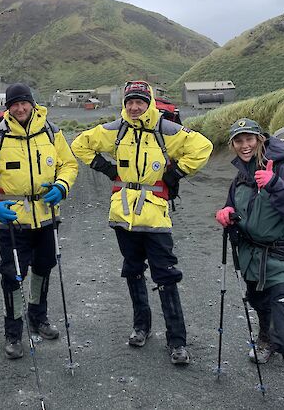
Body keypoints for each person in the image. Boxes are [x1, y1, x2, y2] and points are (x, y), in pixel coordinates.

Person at [71, 80, 212, 365]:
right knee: (133, 269)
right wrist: (107, 168)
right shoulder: (116, 130)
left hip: (156, 216)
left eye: (140, 101)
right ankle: (141, 327)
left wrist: (177, 173)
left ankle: (177, 342)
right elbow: (79, 144)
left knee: (166, 274)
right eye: (130, 102)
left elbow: (203, 147)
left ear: (149, 103)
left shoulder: (166, 129)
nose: (134, 107)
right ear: (124, 104)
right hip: (123, 216)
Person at [0, 83, 78, 359]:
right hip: (12, 222)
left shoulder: (52, 132)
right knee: (12, 275)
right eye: (14, 104)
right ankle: (13, 331)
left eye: (24, 103)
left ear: (32, 103)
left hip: (46, 217)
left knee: (44, 268)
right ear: (8, 107)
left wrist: (62, 186)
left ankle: (38, 317)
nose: (19, 108)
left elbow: (69, 164)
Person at [215, 118, 284, 410]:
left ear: (260, 140)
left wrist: (274, 185)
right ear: (233, 144)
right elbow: (233, 204)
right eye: (238, 140)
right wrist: (227, 212)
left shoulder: (281, 169)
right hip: (252, 258)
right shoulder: (240, 176)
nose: (244, 145)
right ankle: (265, 339)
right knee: (259, 302)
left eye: (250, 139)